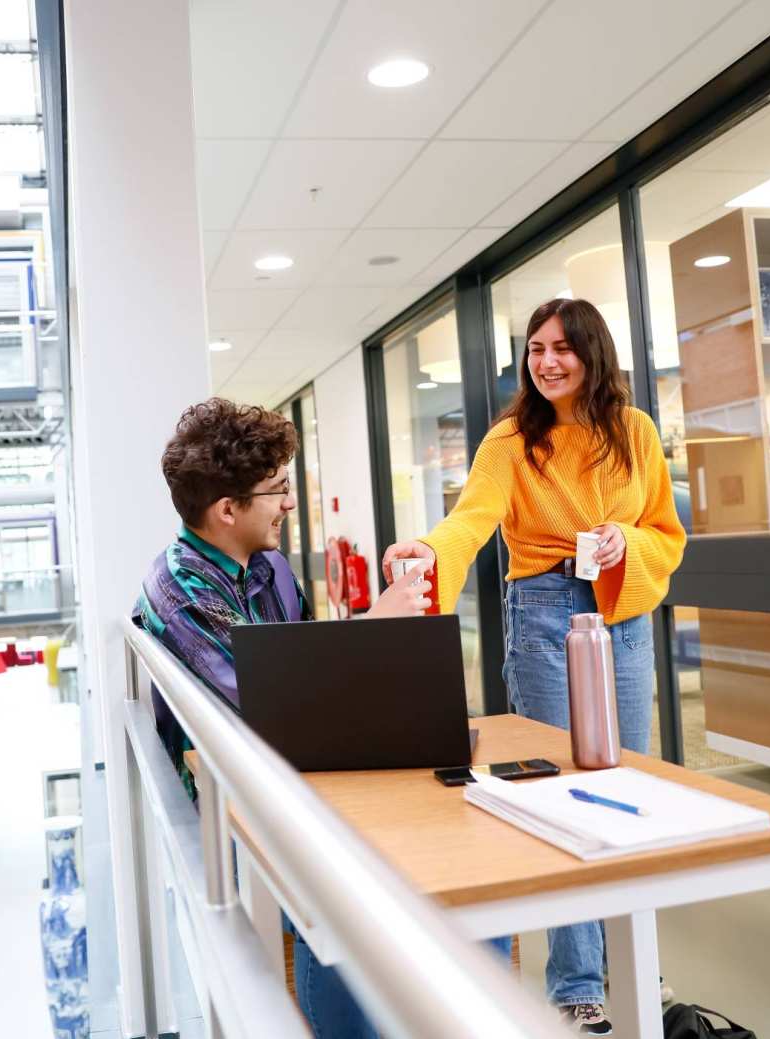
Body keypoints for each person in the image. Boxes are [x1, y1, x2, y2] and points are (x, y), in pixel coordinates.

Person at [382, 298, 686, 1036]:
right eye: (536, 349)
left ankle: (632, 957)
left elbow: (665, 530)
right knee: (561, 792)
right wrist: (429, 550)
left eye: (561, 348)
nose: (546, 362)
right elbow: (472, 518)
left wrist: (626, 542)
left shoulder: (636, 432)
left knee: (625, 784)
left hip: (622, 610)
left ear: (591, 352)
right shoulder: (512, 438)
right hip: (544, 611)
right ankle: (576, 982)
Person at [132, 397, 439, 1039]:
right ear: (227, 510)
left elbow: (307, 667)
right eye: (277, 490)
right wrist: (370, 630)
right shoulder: (179, 590)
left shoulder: (268, 567)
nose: (290, 503)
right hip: (237, 795)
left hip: (292, 762)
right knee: (344, 893)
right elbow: (266, 703)